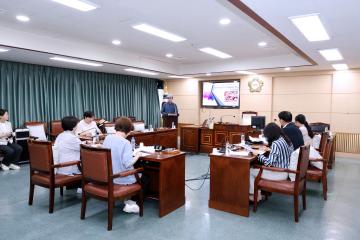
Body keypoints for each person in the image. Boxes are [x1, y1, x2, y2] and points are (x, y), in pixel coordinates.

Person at [103, 117, 142, 213]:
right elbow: (128, 163)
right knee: (146, 178)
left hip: (109, 176)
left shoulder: (107, 138)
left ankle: (127, 199)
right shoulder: (126, 143)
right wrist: (137, 155)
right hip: (120, 177)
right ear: (128, 130)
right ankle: (131, 203)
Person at [249, 123, 294, 201]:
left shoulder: (275, 144)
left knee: (250, 171)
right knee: (254, 167)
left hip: (279, 173)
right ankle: (259, 193)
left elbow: (269, 163)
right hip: (286, 170)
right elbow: (284, 153)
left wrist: (258, 155)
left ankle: (254, 196)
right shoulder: (284, 139)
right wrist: (271, 150)